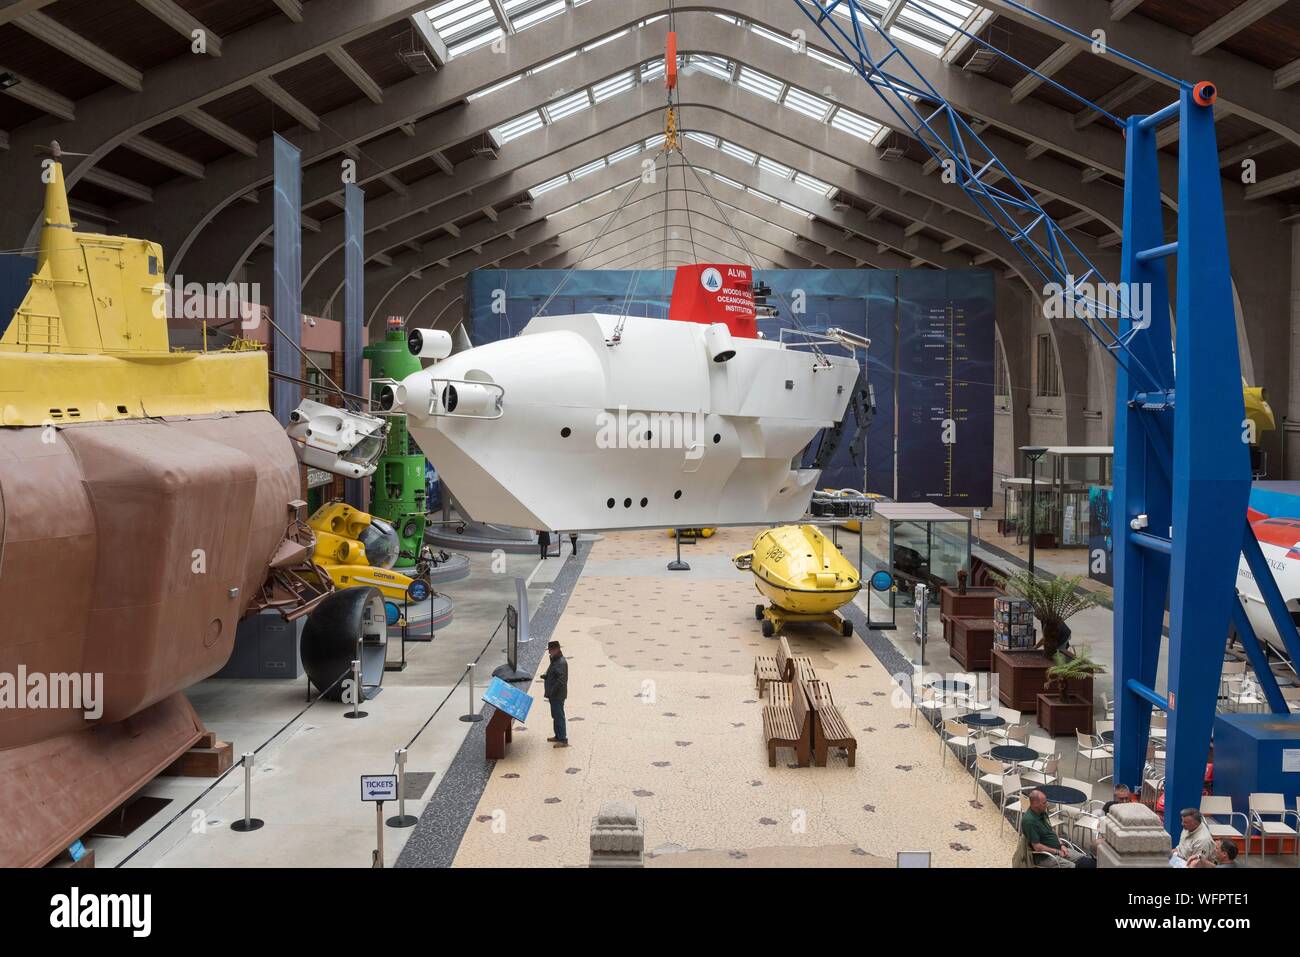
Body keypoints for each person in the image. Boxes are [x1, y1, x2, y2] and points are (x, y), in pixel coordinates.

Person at [1022, 790, 1095, 868]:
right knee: (1075, 866)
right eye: (1044, 803)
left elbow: (1051, 830)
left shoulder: (1041, 812)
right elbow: (1037, 847)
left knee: (1086, 861)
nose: (1046, 805)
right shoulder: (1029, 821)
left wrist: (1061, 845)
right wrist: (1057, 851)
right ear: (1035, 804)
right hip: (1045, 857)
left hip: (1058, 849)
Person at [542, 640, 568, 748]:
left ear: (557, 650)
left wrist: (552, 691)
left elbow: (561, 681)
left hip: (557, 695)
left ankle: (562, 739)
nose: (549, 653)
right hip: (554, 694)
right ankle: (557, 736)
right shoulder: (555, 660)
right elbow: (554, 674)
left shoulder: (560, 662)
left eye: (551, 650)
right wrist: (546, 676)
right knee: (555, 715)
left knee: (559, 716)